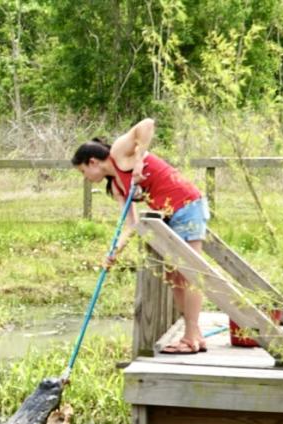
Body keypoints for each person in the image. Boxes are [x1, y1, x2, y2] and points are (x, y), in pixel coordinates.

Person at [70, 118, 212, 354]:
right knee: (175, 278)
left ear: (93, 161)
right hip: (168, 215)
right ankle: (194, 335)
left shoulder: (119, 152)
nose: (86, 177)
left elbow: (147, 124)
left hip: (187, 205)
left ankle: (190, 337)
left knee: (191, 272)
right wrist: (114, 251)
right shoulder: (117, 186)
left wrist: (138, 161)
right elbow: (131, 224)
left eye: (84, 171)